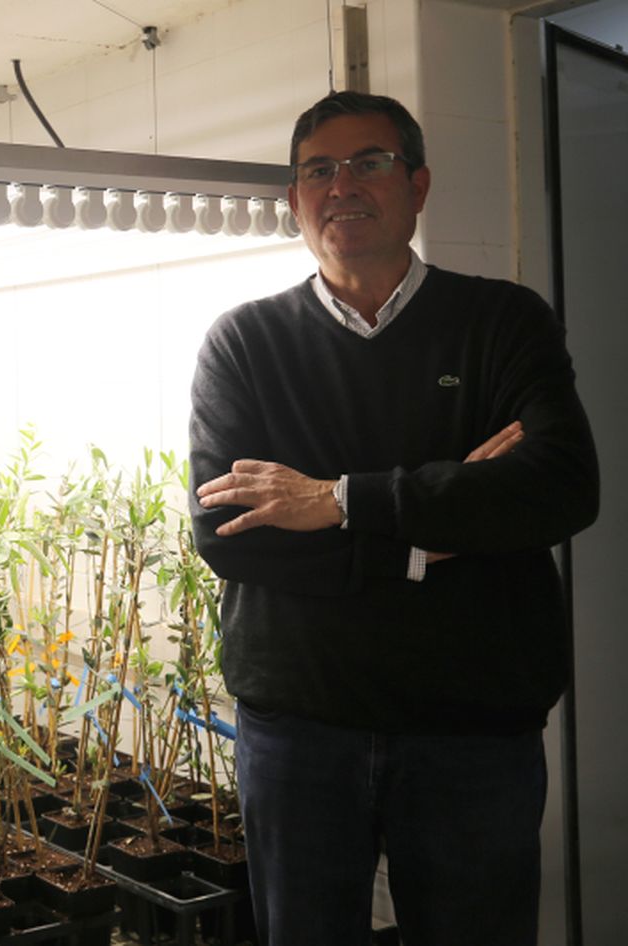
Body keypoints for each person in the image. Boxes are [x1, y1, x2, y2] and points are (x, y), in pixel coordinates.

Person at [188, 91, 598, 946]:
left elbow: (559, 489)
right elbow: (232, 541)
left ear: (417, 185)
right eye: (317, 171)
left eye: (368, 163)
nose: (342, 186)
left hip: (473, 731)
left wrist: (336, 501)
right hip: (300, 731)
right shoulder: (243, 345)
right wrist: (437, 537)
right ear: (293, 200)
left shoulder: (503, 321)